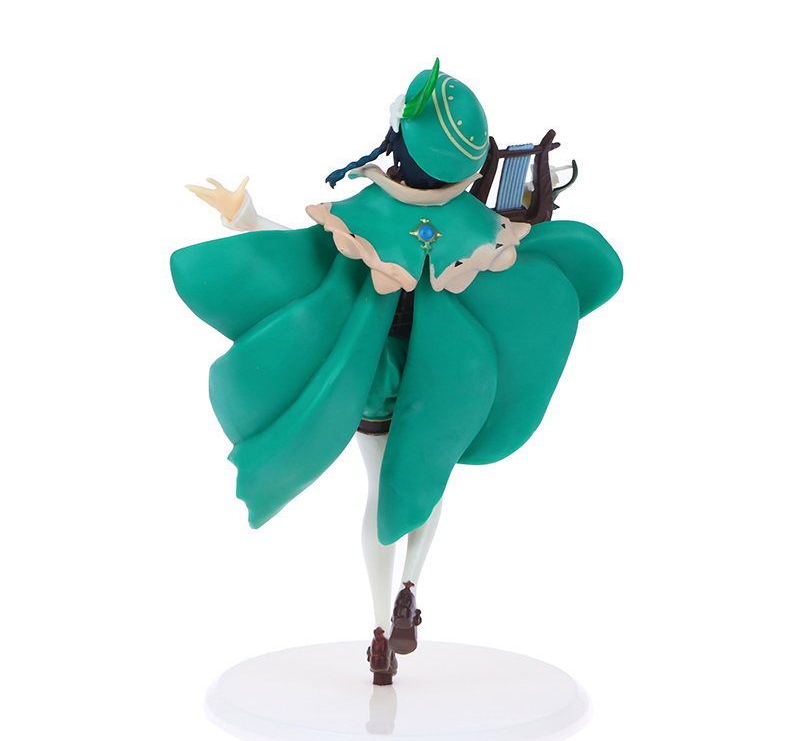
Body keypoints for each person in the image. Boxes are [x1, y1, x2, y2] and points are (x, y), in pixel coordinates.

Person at [172, 61, 622, 684]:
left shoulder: (371, 213)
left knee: (381, 492)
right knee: (426, 480)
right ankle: (411, 587)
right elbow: (513, 276)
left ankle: (380, 629)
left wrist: (245, 216)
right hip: (449, 379)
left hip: (377, 377)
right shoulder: (474, 222)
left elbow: (302, 258)